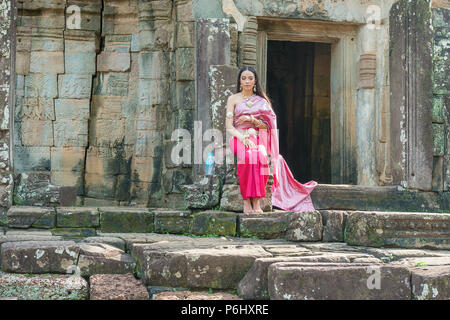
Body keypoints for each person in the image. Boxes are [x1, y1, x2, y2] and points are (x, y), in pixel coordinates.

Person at [225, 66, 318, 213]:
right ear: (239, 81)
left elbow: (268, 125)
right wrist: (243, 138)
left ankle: (256, 202)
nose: (247, 81)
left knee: (261, 157)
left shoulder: (261, 101)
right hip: (239, 138)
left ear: (255, 80)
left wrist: (252, 119)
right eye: (244, 78)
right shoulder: (233, 99)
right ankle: (246, 202)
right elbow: (229, 127)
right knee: (249, 157)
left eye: (250, 78)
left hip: (257, 138)